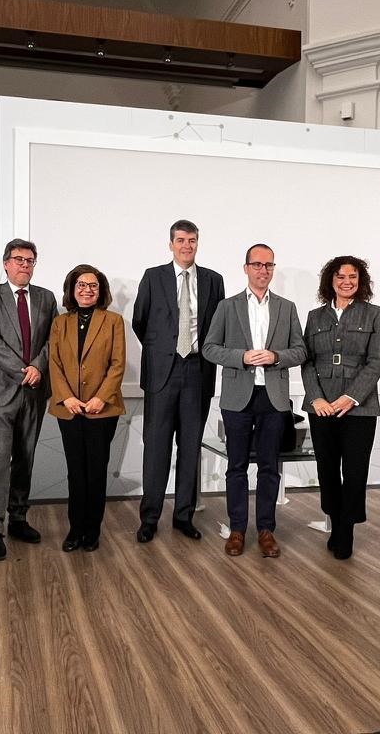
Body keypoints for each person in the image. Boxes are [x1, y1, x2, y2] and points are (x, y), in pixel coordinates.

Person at [202, 244, 307, 557]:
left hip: (273, 399)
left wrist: (275, 356)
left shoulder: (287, 308)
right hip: (237, 398)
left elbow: (300, 351)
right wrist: (242, 357)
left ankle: (265, 530)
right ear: (246, 267)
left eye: (269, 265)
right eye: (258, 265)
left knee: (269, 468)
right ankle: (237, 529)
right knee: (235, 467)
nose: (264, 270)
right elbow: (209, 348)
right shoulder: (227, 306)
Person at [133, 220, 225, 543]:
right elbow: (140, 321)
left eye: (192, 240)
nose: (187, 246)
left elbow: (217, 327)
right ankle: (150, 518)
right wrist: (164, 352)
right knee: (156, 449)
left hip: (198, 372)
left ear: (198, 243)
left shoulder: (214, 281)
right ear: (170, 243)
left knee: (190, 449)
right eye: (181, 240)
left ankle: (183, 515)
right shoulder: (153, 277)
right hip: (163, 374)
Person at [0, 239, 59, 560]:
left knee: (25, 456)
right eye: (19, 259)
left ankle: (19, 518)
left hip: (35, 390)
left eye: (30, 260)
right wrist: (22, 370)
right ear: (6, 263)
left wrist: (38, 367)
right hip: (0, 390)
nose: (25, 265)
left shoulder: (46, 298)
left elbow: (55, 338)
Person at [301, 256, 380, 559]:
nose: (347, 282)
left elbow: (376, 362)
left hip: (359, 408)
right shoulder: (314, 316)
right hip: (322, 407)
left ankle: (345, 531)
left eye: (353, 277)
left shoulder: (375, 314)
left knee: (353, 471)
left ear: (361, 281)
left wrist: (350, 397)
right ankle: (335, 522)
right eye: (340, 277)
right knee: (326, 469)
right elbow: (307, 361)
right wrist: (317, 398)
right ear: (330, 281)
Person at [48, 265, 126, 552]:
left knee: (96, 470)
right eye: (81, 285)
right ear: (72, 289)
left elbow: (118, 365)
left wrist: (100, 397)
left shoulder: (114, 321)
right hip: (69, 409)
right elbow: (54, 363)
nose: (87, 290)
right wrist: (67, 397)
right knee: (75, 471)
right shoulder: (60, 323)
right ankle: (75, 529)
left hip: (101, 410)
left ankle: (92, 530)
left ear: (100, 290)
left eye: (93, 285)